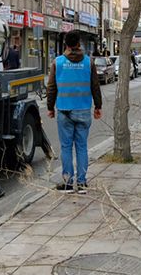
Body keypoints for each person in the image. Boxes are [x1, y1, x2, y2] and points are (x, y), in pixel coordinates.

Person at [46, 30, 103, 194]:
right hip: (84, 110)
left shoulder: (58, 62)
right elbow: (95, 86)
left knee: (65, 147)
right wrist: (98, 106)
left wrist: (50, 108)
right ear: (79, 43)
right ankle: (82, 183)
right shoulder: (88, 62)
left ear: (66, 44)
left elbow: (51, 88)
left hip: (64, 110)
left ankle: (68, 183)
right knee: (82, 147)